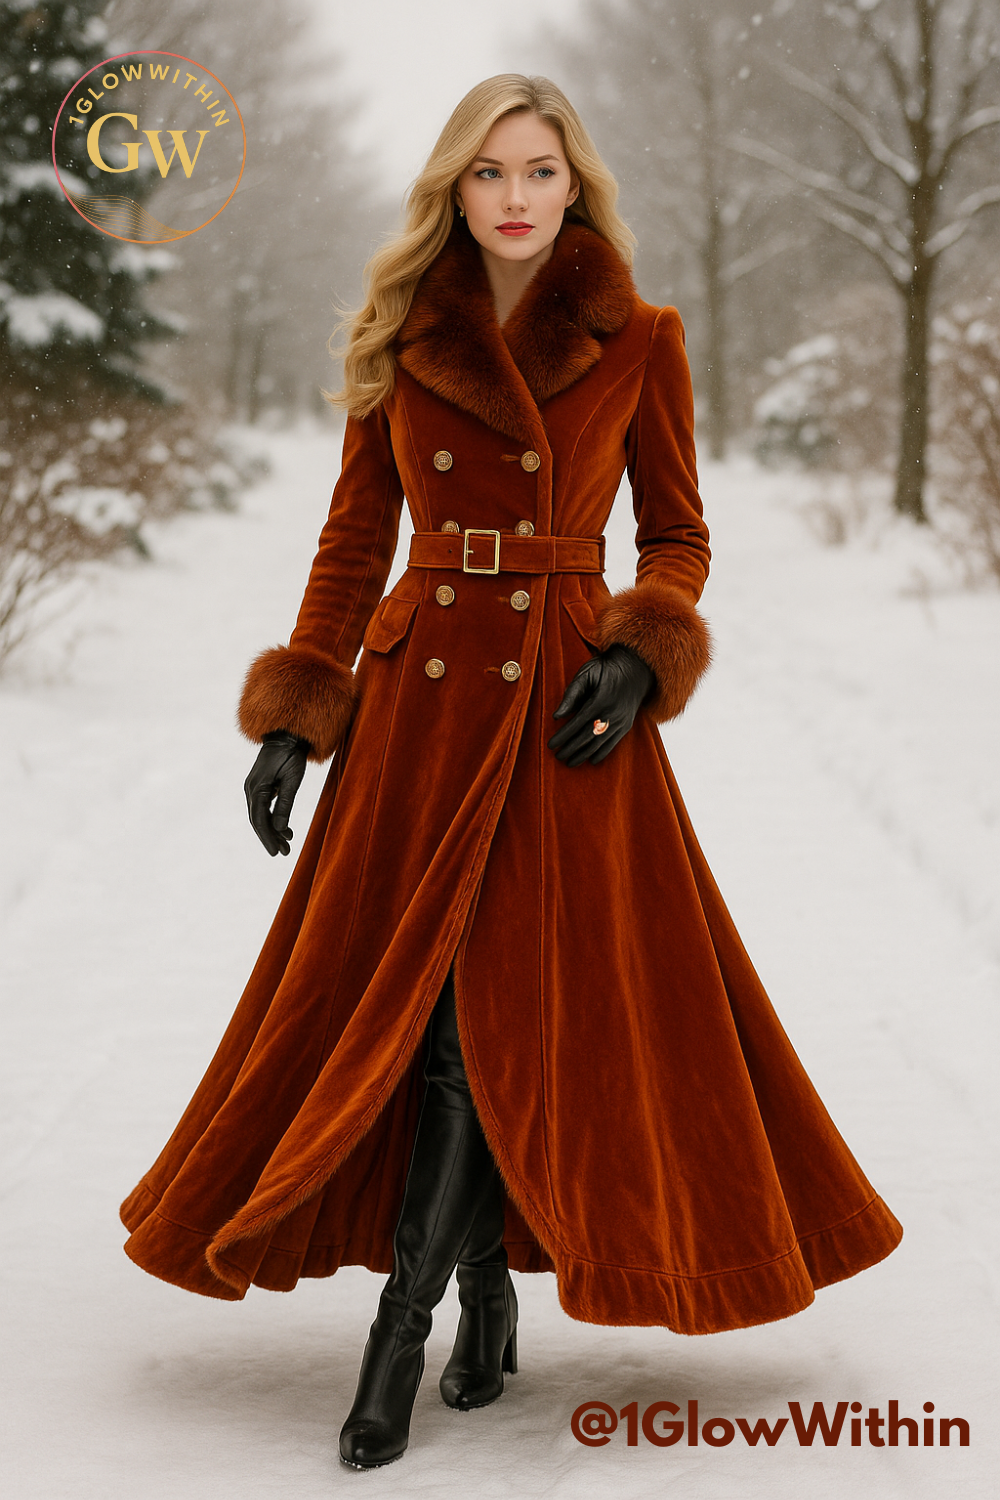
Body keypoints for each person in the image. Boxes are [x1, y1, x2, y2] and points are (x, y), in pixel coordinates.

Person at [121, 74, 902, 1472]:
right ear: (454, 192)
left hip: (558, 707)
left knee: (498, 1020)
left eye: (541, 169)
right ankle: (475, 1299)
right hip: (421, 711)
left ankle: (402, 1335)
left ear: (573, 182)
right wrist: (300, 714)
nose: (519, 195)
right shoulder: (401, 337)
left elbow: (678, 535)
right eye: (491, 174)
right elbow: (351, 548)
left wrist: (640, 650)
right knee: (426, 1019)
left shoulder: (639, 336)